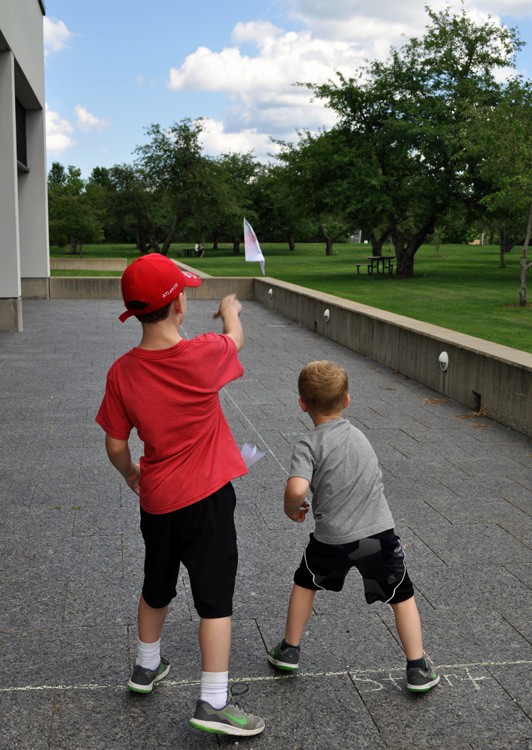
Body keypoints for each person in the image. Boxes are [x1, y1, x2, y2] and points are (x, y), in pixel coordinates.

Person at [95, 253, 265, 737]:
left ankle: (147, 665)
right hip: (208, 500)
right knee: (215, 597)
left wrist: (132, 474)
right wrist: (231, 310)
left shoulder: (122, 372)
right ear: (179, 307)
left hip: (157, 502)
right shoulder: (204, 353)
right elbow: (235, 340)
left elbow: (114, 442)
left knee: (157, 580)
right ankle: (213, 700)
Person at [267, 360, 440, 694]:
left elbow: (297, 489)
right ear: (347, 401)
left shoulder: (308, 443)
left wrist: (292, 507)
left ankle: (289, 648)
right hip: (377, 537)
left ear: (302, 403)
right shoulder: (359, 437)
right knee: (400, 594)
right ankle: (417, 666)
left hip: (331, 540)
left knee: (306, 581)